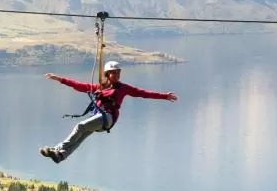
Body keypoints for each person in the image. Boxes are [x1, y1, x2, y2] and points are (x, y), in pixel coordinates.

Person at [40, 61, 177, 164]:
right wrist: (60, 80)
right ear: (107, 74)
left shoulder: (123, 88)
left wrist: (164, 96)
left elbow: (143, 93)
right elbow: (80, 86)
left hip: (108, 118)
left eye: (118, 73)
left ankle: (58, 148)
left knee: (80, 127)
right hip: (99, 117)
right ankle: (61, 156)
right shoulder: (100, 87)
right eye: (114, 73)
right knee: (82, 135)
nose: (117, 75)